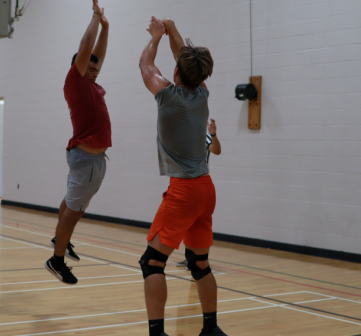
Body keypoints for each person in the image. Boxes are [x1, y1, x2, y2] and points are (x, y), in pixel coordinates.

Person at [138, 17, 226, 336]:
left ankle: (157, 333)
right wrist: (174, 31)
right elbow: (187, 63)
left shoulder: (166, 95)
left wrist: (158, 35)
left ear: (176, 71)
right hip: (206, 190)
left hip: (184, 192)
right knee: (200, 263)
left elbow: (145, 63)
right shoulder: (202, 93)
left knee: (152, 263)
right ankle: (211, 329)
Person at [45, 0, 111, 285]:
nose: (95, 71)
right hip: (85, 158)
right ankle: (56, 261)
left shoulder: (93, 84)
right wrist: (96, 18)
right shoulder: (74, 79)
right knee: (74, 212)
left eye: (97, 70)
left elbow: (98, 55)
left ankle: (60, 239)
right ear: (78, 66)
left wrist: (106, 28)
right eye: (90, 67)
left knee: (73, 206)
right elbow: (86, 48)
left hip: (94, 161)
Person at [176, 119, 221, 268]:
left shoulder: (205, 136)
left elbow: (217, 150)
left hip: (199, 183)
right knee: (187, 224)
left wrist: (213, 135)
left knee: (198, 223)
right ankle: (190, 258)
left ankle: (198, 260)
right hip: (184, 184)